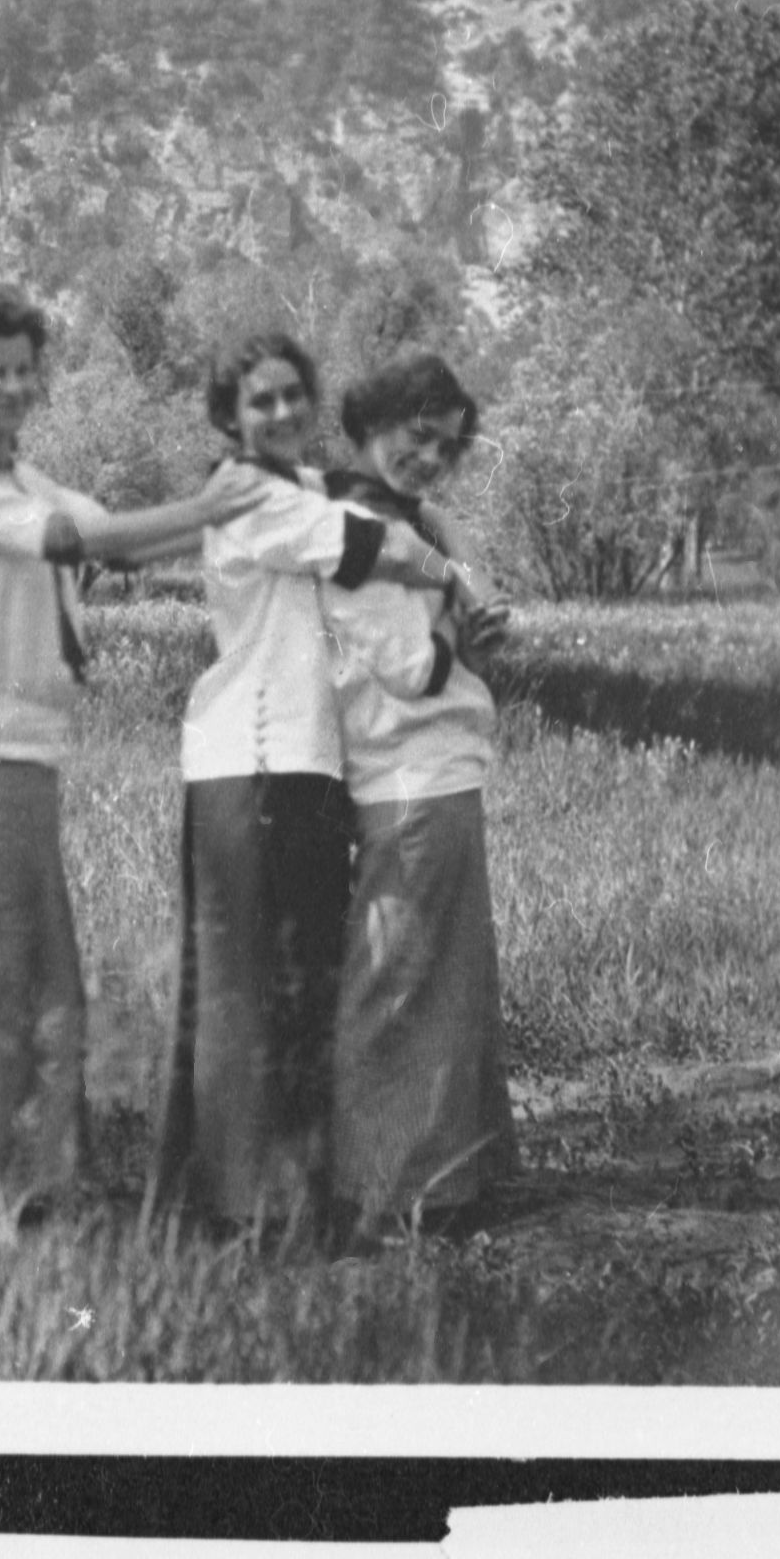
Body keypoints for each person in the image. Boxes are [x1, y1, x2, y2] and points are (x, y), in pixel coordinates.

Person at [0, 290, 262, 1208]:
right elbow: (66, 542)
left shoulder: (29, 478)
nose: (8, 385)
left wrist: (225, 510)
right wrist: (210, 502)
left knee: (30, 973)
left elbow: (116, 548)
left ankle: (28, 1179)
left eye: (20, 369)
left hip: (21, 756)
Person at [147, 334, 491, 1231]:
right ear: (227, 418)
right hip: (250, 759)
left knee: (297, 987)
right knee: (252, 994)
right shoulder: (256, 494)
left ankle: (293, 1199)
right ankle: (243, 1207)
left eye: (296, 396)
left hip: (306, 764)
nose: (283, 415)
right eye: (260, 402)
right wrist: (447, 579)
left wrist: (438, 561)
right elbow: (371, 561)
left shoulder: (309, 490)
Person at [324, 352, 517, 1236]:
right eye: (416, 436)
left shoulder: (408, 523)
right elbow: (406, 667)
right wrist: (460, 625)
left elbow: (452, 629)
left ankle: (444, 1177)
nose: (429, 458)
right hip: (404, 772)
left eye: (445, 447)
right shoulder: (354, 529)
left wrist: (451, 555)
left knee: (443, 976)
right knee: (395, 980)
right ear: (372, 418)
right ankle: (377, 1183)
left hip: (441, 769)